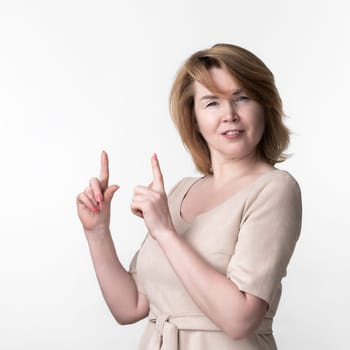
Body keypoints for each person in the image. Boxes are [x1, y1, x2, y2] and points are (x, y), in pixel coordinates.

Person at [76, 43, 302, 350]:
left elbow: (240, 320)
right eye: (212, 103)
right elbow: (130, 306)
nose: (230, 115)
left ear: (265, 106)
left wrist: (166, 233)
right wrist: (97, 231)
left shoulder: (274, 188)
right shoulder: (180, 190)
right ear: (194, 118)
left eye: (242, 98)